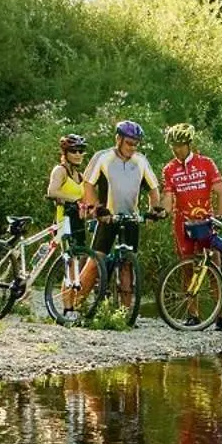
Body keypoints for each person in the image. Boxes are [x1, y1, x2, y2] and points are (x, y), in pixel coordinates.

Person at [81, 119, 162, 319]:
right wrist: (97, 208)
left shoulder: (141, 161)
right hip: (108, 217)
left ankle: (125, 314)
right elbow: (88, 184)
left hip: (131, 219)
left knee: (128, 264)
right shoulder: (103, 157)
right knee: (96, 260)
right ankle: (74, 304)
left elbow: (153, 189)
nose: (132, 148)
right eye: (128, 143)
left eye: (135, 144)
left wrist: (154, 210)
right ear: (118, 139)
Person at [159, 122, 222, 331]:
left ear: (189, 144)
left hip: (205, 222)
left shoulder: (206, 164)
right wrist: (162, 211)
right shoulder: (169, 169)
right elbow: (168, 197)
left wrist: (219, 216)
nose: (176, 149)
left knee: (214, 268)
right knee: (186, 268)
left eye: (180, 145)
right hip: (182, 223)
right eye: (172, 145)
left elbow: (221, 191)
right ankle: (193, 315)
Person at [46, 132, 93, 314]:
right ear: (65, 153)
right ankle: (67, 309)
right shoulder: (60, 171)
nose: (79, 154)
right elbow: (52, 191)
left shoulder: (80, 176)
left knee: (77, 264)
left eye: (81, 151)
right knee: (70, 263)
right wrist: (73, 199)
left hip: (77, 221)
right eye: (74, 151)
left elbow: (84, 198)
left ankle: (72, 306)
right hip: (63, 221)